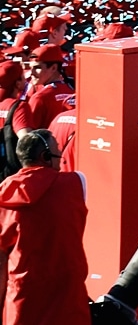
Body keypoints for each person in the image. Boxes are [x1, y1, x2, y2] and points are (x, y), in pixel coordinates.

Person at [0, 129, 87, 325]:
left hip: (22, 296)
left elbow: (2, 257)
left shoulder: (4, 194)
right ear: (45, 156)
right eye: (58, 153)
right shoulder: (75, 184)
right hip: (68, 295)